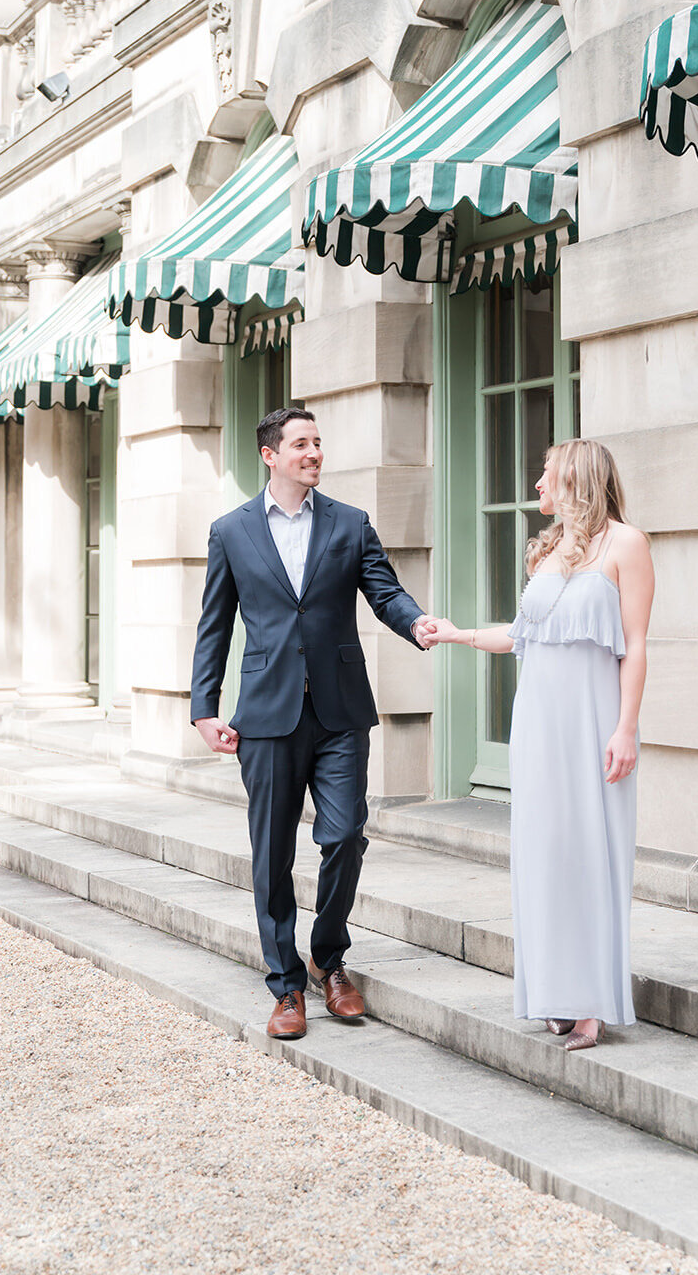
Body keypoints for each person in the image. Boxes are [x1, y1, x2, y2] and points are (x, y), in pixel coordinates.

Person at [190, 406, 438, 1042]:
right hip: (267, 715)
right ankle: (285, 984)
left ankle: (329, 958)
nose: (314, 453)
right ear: (270, 455)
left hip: (338, 712)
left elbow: (385, 591)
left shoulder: (350, 524)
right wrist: (203, 706)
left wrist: (415, 622)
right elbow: (215, 624)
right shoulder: (232, 531)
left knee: (346, 833)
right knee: (272, 852)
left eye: (318, 443)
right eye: (301, 444)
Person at [425, 439, 653, 1051]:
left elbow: (635, 645)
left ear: (576, 479)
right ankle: (554, 992)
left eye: (546, 476)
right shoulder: (547, 553)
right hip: (538, 722)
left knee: (589, 851)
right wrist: (455, 634)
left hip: (594, 719)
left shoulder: (627, 545)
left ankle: (591, 1006)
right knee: (544, 854)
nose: (537, 488)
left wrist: (626, 728)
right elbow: (522, 637)